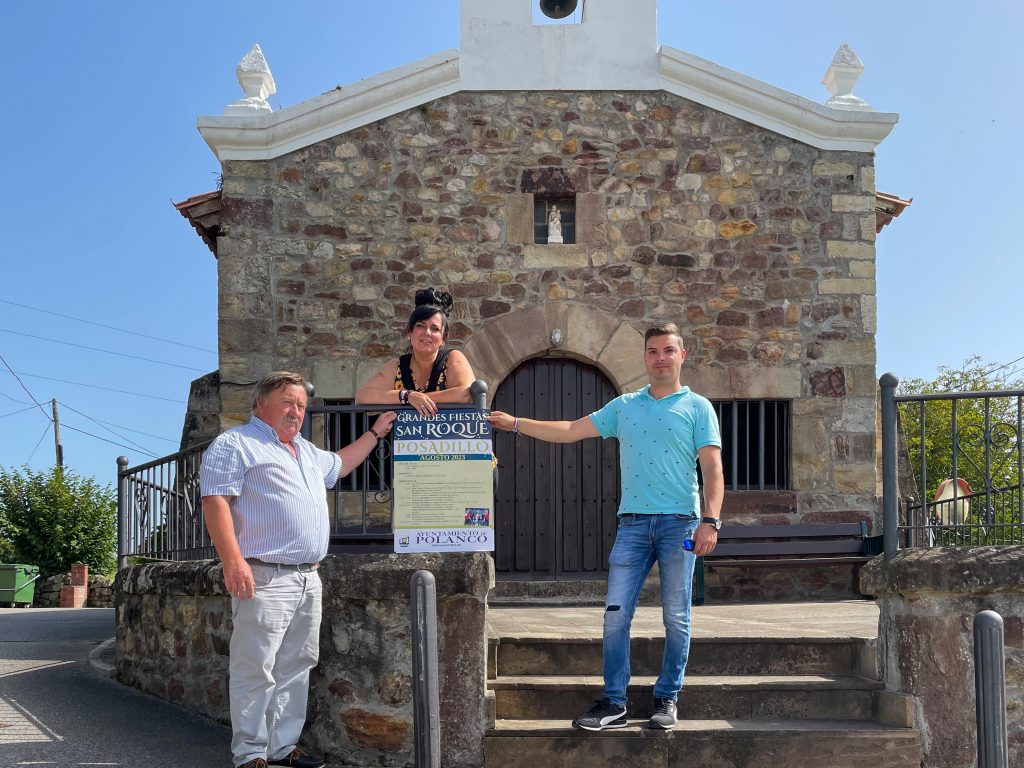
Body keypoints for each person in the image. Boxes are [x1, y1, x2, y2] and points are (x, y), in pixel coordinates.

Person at [488, 322, 723, 731]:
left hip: (681, 525)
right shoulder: (625, 406)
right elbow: (569, 431)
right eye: (653, 351)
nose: (661, 358)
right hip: (632, 524)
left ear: (682, 355)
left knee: (676, 616)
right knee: (615, 616)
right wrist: (515, 424)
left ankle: (667, 698)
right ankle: (614, 703)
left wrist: (711, 521)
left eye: (669, 350)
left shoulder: (698, 407)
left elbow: (713, 469)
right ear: (645, 357)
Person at [200, 371, 396, 768]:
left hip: (308, 576)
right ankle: (250, 753)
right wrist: (233, 561)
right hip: (264, 575)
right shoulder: (236, 444)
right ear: (260, 404)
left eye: (301, 405)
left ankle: (282, 747)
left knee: (296, 666)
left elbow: (341, 465)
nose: (296, 411)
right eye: (287, 402)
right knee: (256, 667)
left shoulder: (304, 450)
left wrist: (376, 432)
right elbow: (215, 500)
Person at [355, 288, 476, 415]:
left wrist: (418, 399)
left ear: (443, 339)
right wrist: (407, 396)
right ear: (410, 332)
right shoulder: (397, 366)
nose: (427, 333)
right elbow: (362, 397)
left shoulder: (452, 358)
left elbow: (466, 393)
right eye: (420, 326)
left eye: (435, 329)